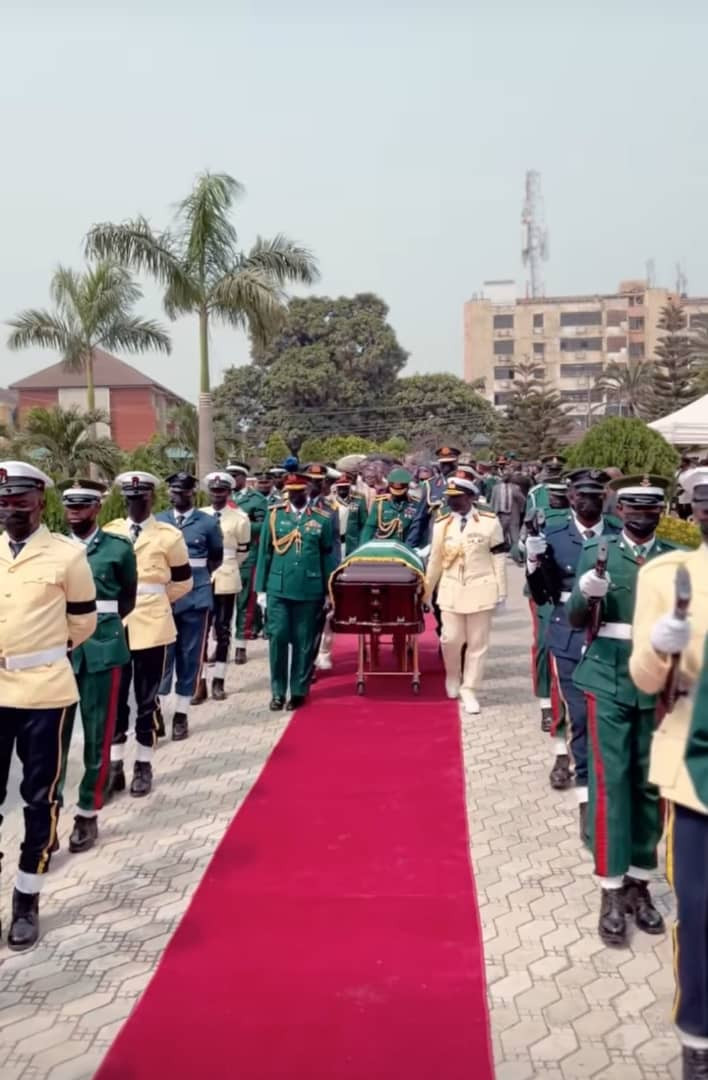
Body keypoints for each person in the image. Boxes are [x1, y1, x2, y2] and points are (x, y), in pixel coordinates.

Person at [566, 475, 678, 945]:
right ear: (621, 510)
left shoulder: (675, 558)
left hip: (657, 681)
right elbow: (575, 618)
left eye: (649, 510)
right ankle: (611, 890)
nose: (640, 517)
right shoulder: (599, 552)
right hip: (608, 678)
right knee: (611, 782)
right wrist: (585, 592)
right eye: (632, 509)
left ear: (659, 512)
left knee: (649, 785)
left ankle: (639, 882)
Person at [629, 466, 708, 1079]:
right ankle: (699, 1036)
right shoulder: (670, 576)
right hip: (698, 768)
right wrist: (661, 644)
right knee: (702, 910)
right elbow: (648, 681)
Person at [0, 461, 97, 950]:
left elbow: (82, 624)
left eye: (19, 499)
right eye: (3, 500)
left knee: (41, 799)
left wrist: (40, 655)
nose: (10, 508)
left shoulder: (66, 555)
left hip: (46, 695)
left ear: (40, 501)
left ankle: (27, 898)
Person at [526, 469, 621, 835]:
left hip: (611, 634)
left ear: (604, 499)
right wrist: (535, 563)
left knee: (611, 721)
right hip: (568, 632)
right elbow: (541, 593)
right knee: (580, 718)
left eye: (596, 496)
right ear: (570, 498)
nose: (589, 502)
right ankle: (587, 799)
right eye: (582, 496)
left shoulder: (618, 533)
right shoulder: (553, 535)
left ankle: (611, 791)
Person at [57, 480, 137, 854]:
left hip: (102, 649)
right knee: (50, 745)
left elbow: (126, 600)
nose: (74, 512)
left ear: (96, 509)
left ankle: (87, 813)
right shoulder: (53, 550)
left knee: (97, 736)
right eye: (69, 506)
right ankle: (49, 815)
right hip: (57, 652)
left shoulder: (118, 549)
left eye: (82, 506)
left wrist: (97, 627)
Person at [103, 472, 192, 798]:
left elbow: (183, 581)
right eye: (129, 499)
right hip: (117, 625)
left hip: (153, 625)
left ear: (152, 499)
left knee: (145, 700)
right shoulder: (111, 531)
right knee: (116, 699)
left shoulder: (168, 535)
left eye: (141, 499)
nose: (135, 504)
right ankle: (115, 765)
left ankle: (143, 763)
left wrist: (156, 602)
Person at [424, 470, 507, 715]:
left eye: (457, 497)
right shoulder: (442, 525)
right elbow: (435, 560)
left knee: (477, 644)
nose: (451, 501)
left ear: (470, 497)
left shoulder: (489, 522)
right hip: (450, 590)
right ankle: (453, 676)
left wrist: (501, 592)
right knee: (450, 639)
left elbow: (499, 559)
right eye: (449, 497)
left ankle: (470, 689)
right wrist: (426, 592)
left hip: (481, 588)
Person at [255, 472, 336, 711]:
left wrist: (328, 591)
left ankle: (299, 690)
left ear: (308, 491)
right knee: (278, 637)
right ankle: (278, 692)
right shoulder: (275, 515)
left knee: (304, 641)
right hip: (278, 588)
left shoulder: (322, 519)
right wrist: (261, 590)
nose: (296, 496)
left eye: (300, 491)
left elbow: (326, 556)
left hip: (309, 589)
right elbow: (265, 554)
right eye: (292, 492)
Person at [156, 473, 222, 738]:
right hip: (164, 599)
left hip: (196, 595)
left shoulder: (206, 522)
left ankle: (181, 713)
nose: (175, 496)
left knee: (190, 655)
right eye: (172, 491)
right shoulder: (159, 521)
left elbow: (215, 557)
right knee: (162, 657)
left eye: (181, 492)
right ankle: (157, 711)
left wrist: (198, 580)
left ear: (192, 493)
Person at [194, 471, 250, 701]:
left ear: (229, 492)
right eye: (214, 491)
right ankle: (201, 681)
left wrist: (227, 566)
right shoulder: (199, 516)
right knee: (201, 632)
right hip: (202, 576)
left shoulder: (239, 518)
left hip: (226, 574)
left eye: (222, 491)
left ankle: (219, 680)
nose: (217, 495)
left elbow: (242, 553)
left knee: (223, 630)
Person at [228, 461, 268, 664]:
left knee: (245, 601)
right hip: (225, 557)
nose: (232, 479)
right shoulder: (223, 497)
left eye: (235, 475)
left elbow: (264, 526)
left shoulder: (256, 499)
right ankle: (221, 645)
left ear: (244, 477)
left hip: (247, 554)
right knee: (223, 605)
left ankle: (241, 644)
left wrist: (240, 527)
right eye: (230, 475)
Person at [407, 446, 460, 550]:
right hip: (436, 542)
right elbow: (420, 519)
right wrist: (410, 546)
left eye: (450, 463)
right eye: (443, 463)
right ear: (439, 464)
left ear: (456, 463)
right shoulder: (431, 486)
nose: (446, 467)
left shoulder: (466, 485)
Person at [490, 468, 525, 551]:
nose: (505, 477)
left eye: (507, 476)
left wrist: (521, 510)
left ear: (510, 477)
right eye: (504, 475)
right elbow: (492, 501)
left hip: (513, 514)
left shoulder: (516, 488)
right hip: (500, 514)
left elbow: (522, 500)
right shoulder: (496, 488)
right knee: (500, 533)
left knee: (514, 534)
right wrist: (492, 513)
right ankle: (500, 548)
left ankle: (516, 551)